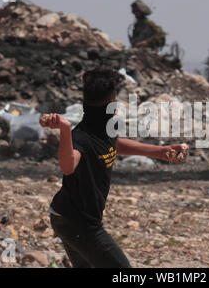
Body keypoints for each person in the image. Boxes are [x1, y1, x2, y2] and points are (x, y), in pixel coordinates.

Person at [40, 68, 188, 268]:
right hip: (78, 223)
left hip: (68, 217)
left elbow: (113, 143)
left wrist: (160, 152)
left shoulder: (103, 127)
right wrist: (65, 131)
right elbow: (68, 166)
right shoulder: (80, 137)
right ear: (112, 102)